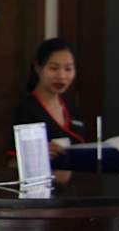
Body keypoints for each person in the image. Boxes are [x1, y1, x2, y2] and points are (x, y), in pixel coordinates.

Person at [11, 38, 86, 167]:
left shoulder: (73, 111)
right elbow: (12, 163)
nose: (62, 76)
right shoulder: (26, 110)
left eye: (68, 69)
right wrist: (38, 154)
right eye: (54, 68)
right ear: (38, 68)